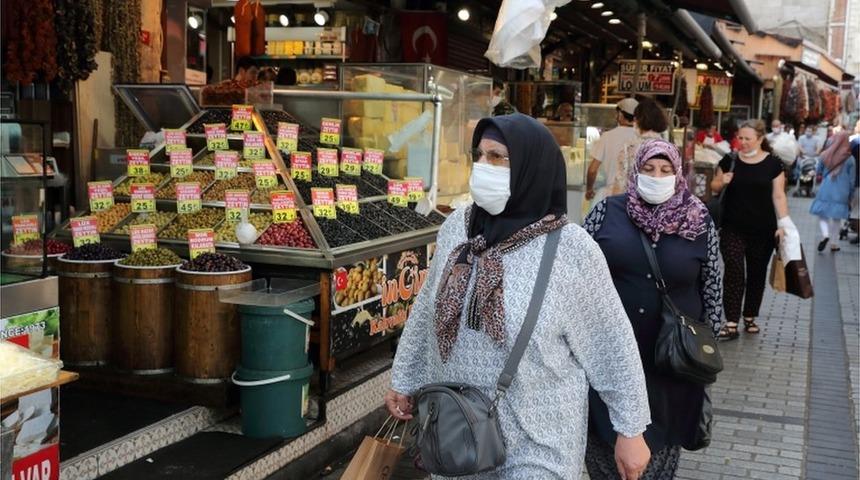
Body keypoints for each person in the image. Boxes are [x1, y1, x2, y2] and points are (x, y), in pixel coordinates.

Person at [385, 113, 651, 479]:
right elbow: (427, 306)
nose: (483, 166)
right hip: (458, 432)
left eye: (497, 157)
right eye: (478, 155)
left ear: (531, 166)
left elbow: (611, 342)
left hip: (538, 439)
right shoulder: (458, 230)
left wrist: (630, 429)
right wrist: (405, 379)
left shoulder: (571, 249)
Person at [583, 138, 722, 480]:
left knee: (659, 457)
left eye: (664, 170)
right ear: (635, 171)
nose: (656, 176)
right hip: (609, 358)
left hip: (671, 363)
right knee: (604, 450)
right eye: (648, 169)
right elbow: (576, 276)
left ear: (678, 175)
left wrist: (703, 351)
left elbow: (712, 290)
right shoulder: (606, 212)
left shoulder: (698, 220)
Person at [710, 120, 791, 339]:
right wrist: (722, 181)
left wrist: (784, 224)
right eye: (740, 138)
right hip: (732, 227)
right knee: (734, 271)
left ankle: (750, 315)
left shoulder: (774, 164)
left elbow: (779, 195)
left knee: (757, 273)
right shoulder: (730, 160)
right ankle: (731, 322)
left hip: (763, 229)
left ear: (760, 139)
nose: (743, 142)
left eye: (748, 138)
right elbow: (714, 187)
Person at [608, 97, 670, 195]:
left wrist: (612, 205)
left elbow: (620, 182)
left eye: (635, 119)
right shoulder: (669, 149)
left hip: (634, 204)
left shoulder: (630, 147)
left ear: (638, 120)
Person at [585, 98, 639, 203]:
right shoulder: (642, 137)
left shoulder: (607, 137)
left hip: (612, 194)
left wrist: (589, 189)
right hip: (635, 197)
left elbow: (592, 170)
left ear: (620, 114)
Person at [810, 131, 856, 252]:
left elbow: (818, 171)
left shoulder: (825, 154)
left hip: (826, 187)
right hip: (843, 190)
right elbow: (852, 179)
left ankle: (825, 235)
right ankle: (834, 244)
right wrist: (850, 194)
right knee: (837, 218)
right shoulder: (850, 158)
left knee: (822, 214)